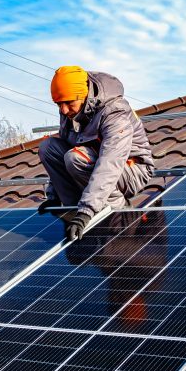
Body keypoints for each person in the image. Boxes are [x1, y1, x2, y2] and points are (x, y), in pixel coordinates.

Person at [37, 65, 155, 240]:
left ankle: (115, 216)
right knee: (48, 147)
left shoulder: (114, 111)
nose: (63, 110)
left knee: (75, 158)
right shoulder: (70, 110)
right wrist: (54, 196)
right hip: (95, 161)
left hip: (131, 169)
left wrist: (87, 211)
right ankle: (72, 211)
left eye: (68, 103)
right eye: (58, 104)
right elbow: (64, 144)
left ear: (83, 95)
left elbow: (110, 163)